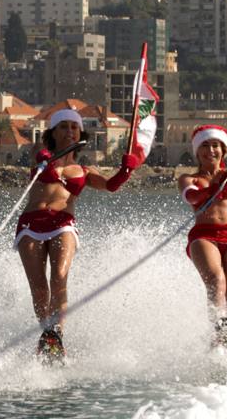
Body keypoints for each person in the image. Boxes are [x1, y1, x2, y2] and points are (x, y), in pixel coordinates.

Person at [15, 108, 140, 361]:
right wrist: (44, 158)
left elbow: (110, 186)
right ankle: (47, 334)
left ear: (80, 133)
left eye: (74, 127)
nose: (70, 131)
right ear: (53, 132)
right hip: (31, 223)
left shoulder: (85, 169)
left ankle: (57, 332)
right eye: (64, 127)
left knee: (59, 276)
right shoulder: (39, 156)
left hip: (63, 222)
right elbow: (37, 157)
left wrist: (125, 171)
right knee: (39, 288)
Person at [176, 124, 227, 350]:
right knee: (216, 281)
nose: (210, 150)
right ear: (196, 151)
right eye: (204, 145)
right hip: (204, 236)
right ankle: (217, 333)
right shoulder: (188, 178)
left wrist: (223, 183)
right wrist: (208, 190)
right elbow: (191, 197)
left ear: (223, 150)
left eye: (215, 145)